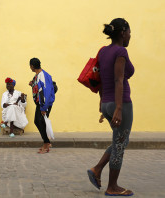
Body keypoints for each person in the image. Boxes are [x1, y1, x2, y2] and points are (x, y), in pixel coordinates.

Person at [87, 18, 134, 196]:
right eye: (129, 32)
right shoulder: (120, 51)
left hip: (107, 103)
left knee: (120, 141)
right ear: (123, 33)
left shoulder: (103, 51)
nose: (130, 36)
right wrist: (119, 109)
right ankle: (112, 187)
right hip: (120, 104)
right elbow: (118, 80)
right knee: (120, 145)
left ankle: (97, 169)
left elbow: (98, 78)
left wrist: (101, 103)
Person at [29, 58, 55, 154]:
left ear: (32, 66)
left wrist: (44, 108)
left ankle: (46, 143)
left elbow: (46, 92)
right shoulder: (38, 75)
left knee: (40, 121)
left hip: (44, 103)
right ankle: (46, 142)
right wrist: (32, 84)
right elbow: (38, 88)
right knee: (37, 121)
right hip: (40, 103)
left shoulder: (43, 75)